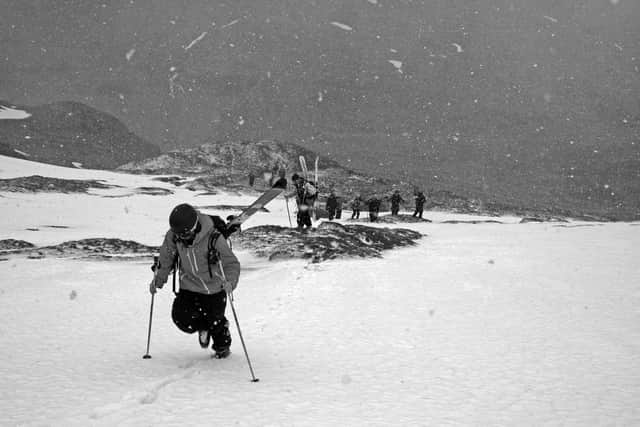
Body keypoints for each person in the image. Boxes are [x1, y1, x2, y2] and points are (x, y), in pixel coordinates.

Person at [150, 203, 240, 358]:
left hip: (214, 288)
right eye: (178, 235)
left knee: (216, 322)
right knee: (181, 318)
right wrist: (158, 280)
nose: (181, 239)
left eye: (184, 235)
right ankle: (204, 328)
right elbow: (166, 258)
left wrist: (230, 282)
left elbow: (231, 264)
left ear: (194, 228)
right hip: (189, 286)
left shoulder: (214, 238)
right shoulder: (174, 235)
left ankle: (222, 346)